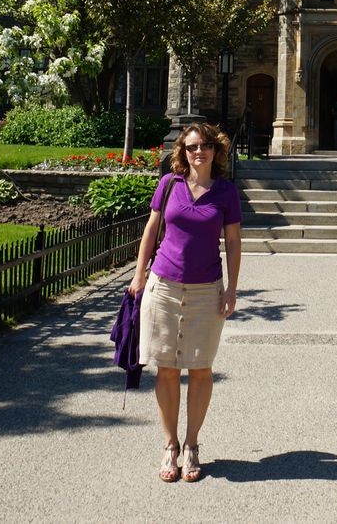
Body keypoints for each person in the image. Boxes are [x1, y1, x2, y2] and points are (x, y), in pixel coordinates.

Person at [128, 122, 241, 483]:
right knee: (166, 367)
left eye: (205, 145)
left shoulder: (226, 192)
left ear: (215, 151)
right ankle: (169, 445)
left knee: (201, 367)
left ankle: (192, 444)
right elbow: (152, 228)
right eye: (192, 146)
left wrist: (232, 289)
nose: (199, 152)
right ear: (183, 151)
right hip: (164, 285)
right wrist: (139, 273)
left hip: (207, 288)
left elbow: (234, 243)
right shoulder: (169, 185)